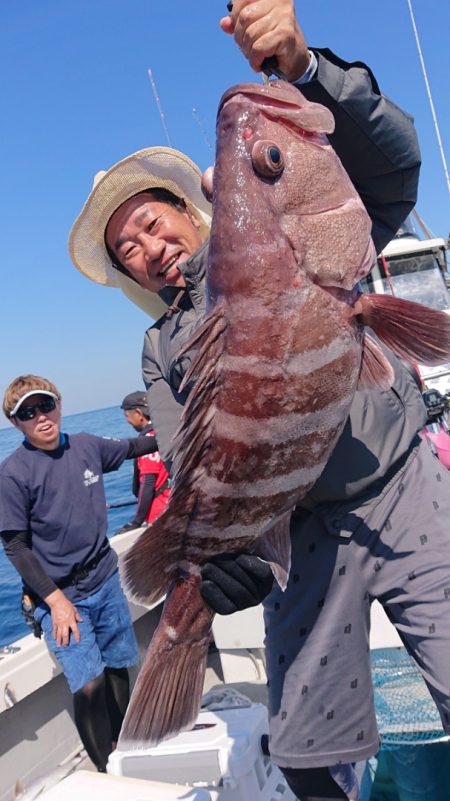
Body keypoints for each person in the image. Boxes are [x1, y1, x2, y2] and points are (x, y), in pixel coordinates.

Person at [66, 2, 446, 798]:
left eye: (151, 223)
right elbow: (194, 463)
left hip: (402, 483)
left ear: (188, 208)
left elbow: (394, 161)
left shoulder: (297, 220)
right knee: (305, 757)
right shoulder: (159, 348)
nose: (148, 249)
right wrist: (222, 566)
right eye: (127, 250)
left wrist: (303, 69)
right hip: (299, 534)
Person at [0, 374, 160, 773]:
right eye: (27, 412)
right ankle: (108, 772)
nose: (41, 417)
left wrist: (187, 426)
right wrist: (55, 603)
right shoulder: (13, 473)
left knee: (119, 665)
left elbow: (138, 445)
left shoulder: (87, 446)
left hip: (105, 578)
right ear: (15, 422)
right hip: (61, 597)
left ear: (59, 404)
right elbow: (16, 547)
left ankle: (128, 751)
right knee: (89, 685)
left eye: (45, 405)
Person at [115, 391, 170, 534]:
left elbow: (148, 483)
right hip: (172, 503)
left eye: (127, 416)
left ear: (139, 413)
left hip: (159, 512)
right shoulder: (164, 433)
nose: (127, 421)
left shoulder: (147, 442)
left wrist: (136, 522)